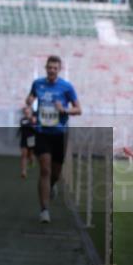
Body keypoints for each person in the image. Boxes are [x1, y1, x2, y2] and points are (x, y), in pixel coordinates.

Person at [26, 55, 81, 224]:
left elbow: (78, 109)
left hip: (60, 134)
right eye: (49, 67)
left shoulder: (66, 87)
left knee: (55, 173)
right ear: (46, 68)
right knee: (45, 170)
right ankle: (44, 210)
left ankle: (52, 185)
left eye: (55, 68)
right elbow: (30, 99)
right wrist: (29, 104)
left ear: (59, 70)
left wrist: (64, 109)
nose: (51, 70)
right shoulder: (38, 84)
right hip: (42, 133)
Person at [18, 106, 37, 180]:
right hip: (24, 139)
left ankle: (32, 161)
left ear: (31, 112)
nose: (26, 112)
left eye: (28, 111)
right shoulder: (23, 120)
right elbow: (23, 125)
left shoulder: (34, 119)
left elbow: (35, 127)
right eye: (25, 111)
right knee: (24, 155)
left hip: (31, 139)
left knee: (31, 155)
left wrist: (33, 121)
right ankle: (23, 171)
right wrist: (30, 120)